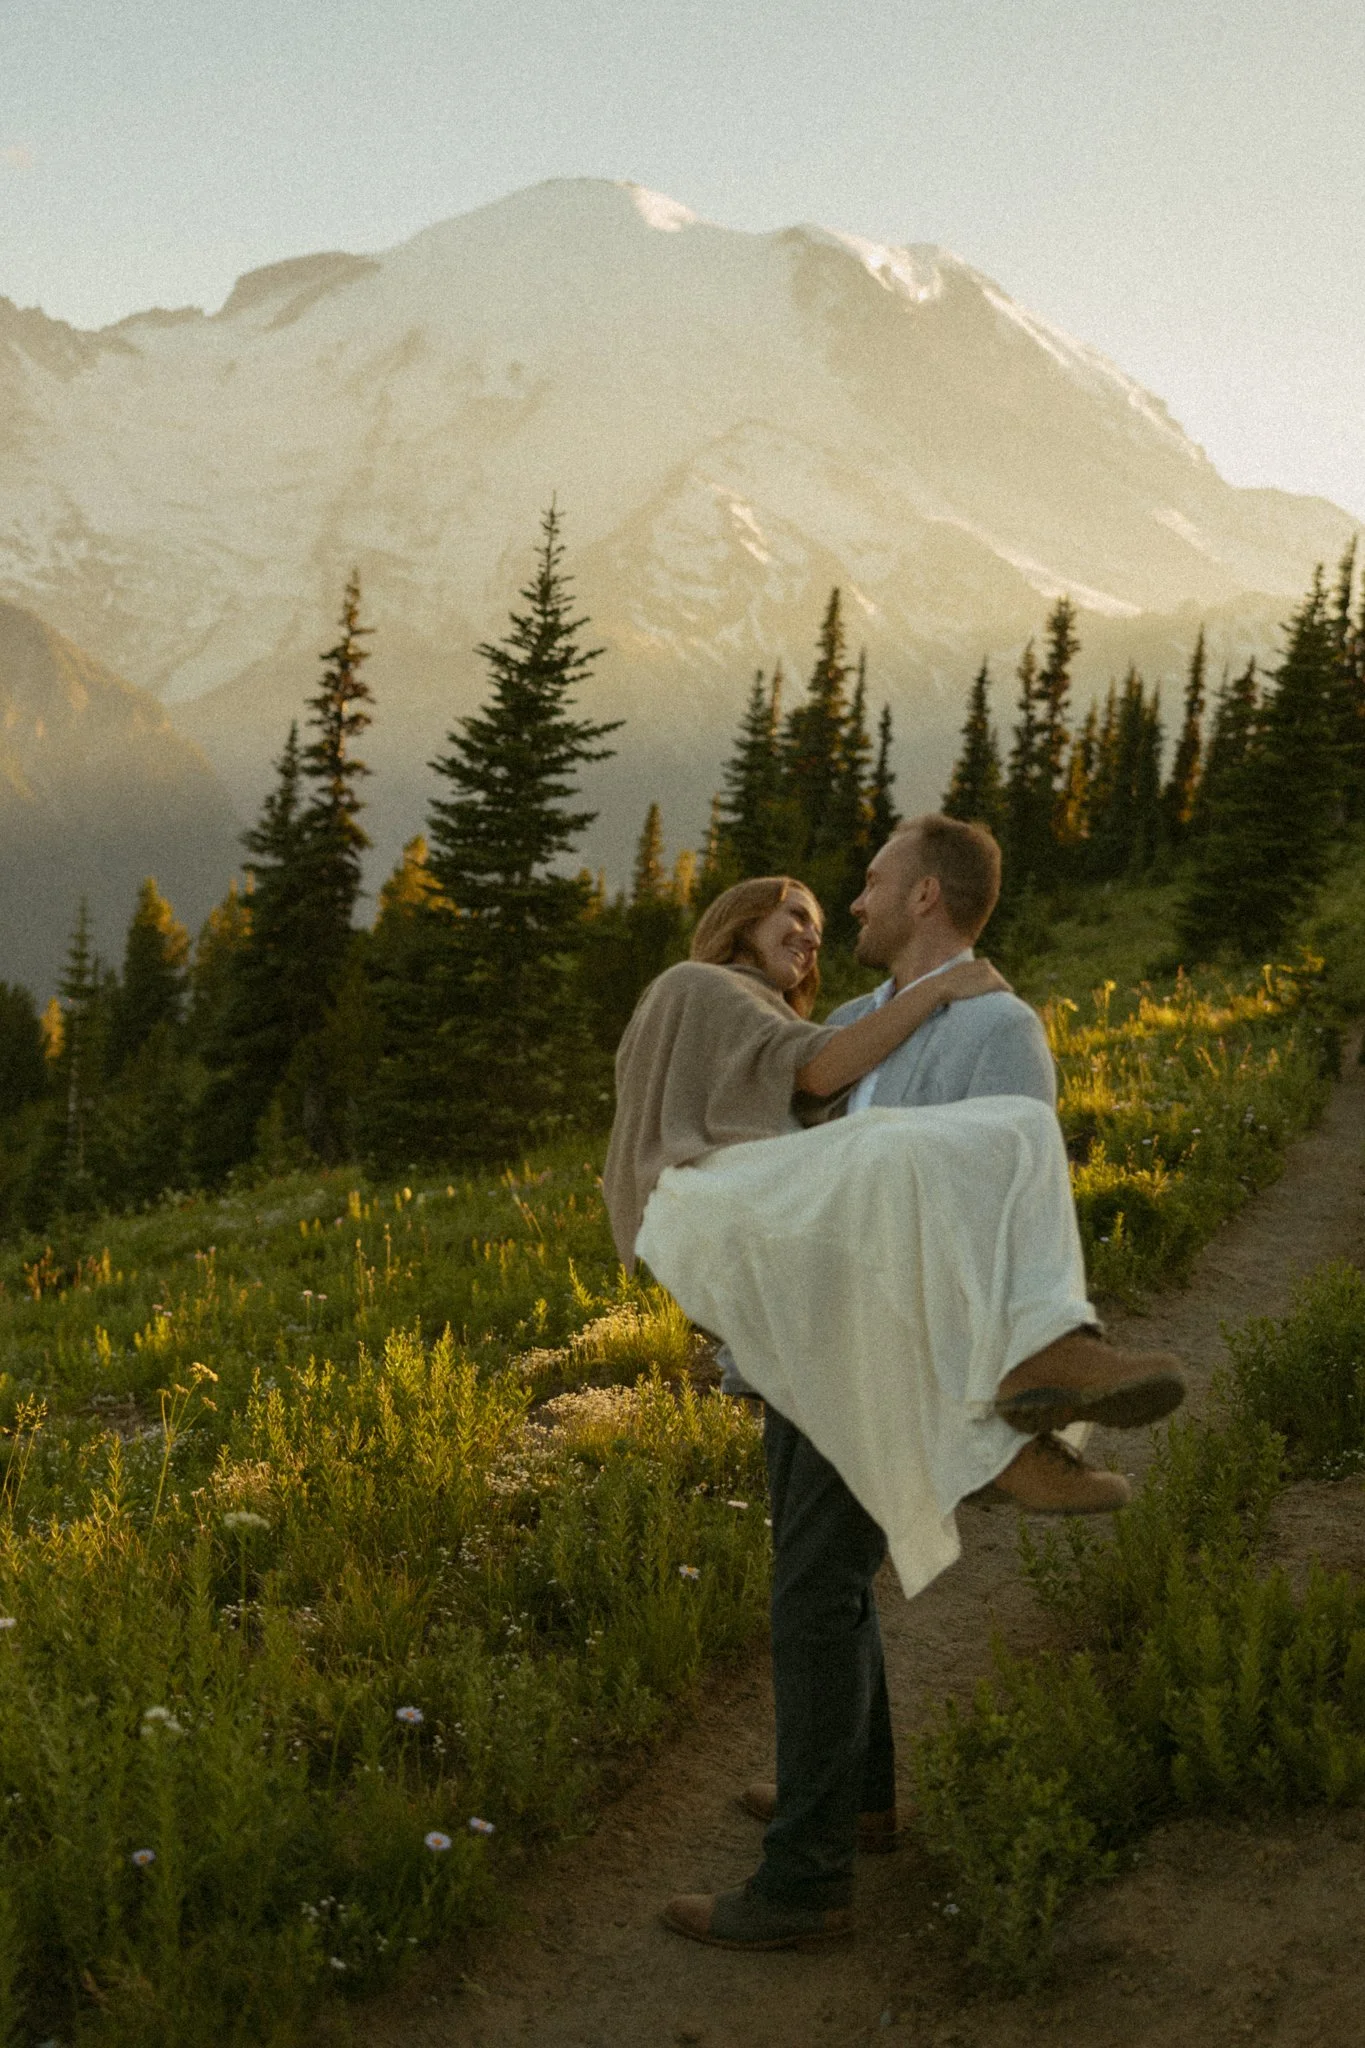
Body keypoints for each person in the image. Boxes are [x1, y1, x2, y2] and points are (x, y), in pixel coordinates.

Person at [601, 815, 1185, 1953]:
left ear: (925, 896)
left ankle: (809, 1870)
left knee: (817, 1588)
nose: (840, 917)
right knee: (823, 1579)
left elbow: (1005, 1193)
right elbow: (787, 1108)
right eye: (807, 916)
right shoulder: (851, 1018)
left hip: (887, 1338)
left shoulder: (999, 1025)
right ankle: (854, 1799)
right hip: (812, 1328)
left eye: (863, 888)